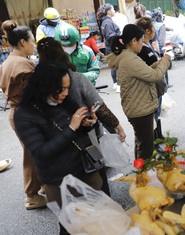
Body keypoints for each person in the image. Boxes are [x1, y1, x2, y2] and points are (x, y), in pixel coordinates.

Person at [14, 62, 104, 234]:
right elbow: (41, 153)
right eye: (61, 89)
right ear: (45, 86)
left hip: (84, 167)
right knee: (71, 225)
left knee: (95, 218)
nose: (65, 93)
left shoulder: (64, 100)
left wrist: (88, 124)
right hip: (60, 179)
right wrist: (72, 128)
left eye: (68, 88)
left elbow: (79, 130)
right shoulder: (24, 114)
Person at [36, 37, 126, 196]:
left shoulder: (37, 83)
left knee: (70, 189)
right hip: (87, 138)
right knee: (98, 177)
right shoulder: (77, 78)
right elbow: (100, 108)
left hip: (57, 143)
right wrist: (118, 128)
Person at [0, 21, 47, 210]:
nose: (34, 45)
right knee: (31, 154)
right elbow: (36, 92)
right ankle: (31, 196)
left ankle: (42, 186)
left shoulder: (7, 62)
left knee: (33, 152)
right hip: (26, 114)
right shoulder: (23, 64)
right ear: (22, 42)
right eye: (32, 42)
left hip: (16, 112)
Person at [107, 24, 170, 160]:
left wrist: (157, 64)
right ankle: (143, 177)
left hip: (137, 106)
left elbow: (145, 72)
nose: (142, 44)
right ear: (134, 41)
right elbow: (154, 76)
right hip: (140, 109)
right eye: (141, 41)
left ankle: (141, 175)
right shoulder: (130, 59)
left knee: (141, 143)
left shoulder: (127, 56)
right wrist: (165, 61)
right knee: (146, 148)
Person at [135, 17, 170, 152]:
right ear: (148, 30)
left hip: (157, 87)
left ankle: (158, 137)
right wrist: (163, 61)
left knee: (157, 113)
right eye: (153, 28)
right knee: (153, 116)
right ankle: (154, 144)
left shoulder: (148, 45)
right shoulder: (143, 49)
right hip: (152, 87)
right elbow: (152, 70)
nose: (155, 31)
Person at [97, 3, 121, 93]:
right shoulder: (108, 22)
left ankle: (115, 83)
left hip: (109, 46)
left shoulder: (104, 21)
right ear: (109, 12)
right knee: (117, 66)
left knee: (113, 66)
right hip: (113, 47)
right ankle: (118, 84)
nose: (114, 11)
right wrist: (118, 45)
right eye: (113, 9)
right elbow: (111, 36)